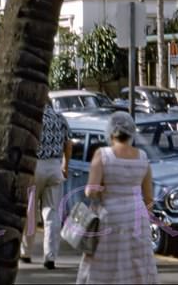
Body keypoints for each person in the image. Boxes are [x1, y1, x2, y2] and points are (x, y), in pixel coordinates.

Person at [76, 111, 158, 285]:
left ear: (111, 131)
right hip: (137, 217)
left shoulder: (103, 154)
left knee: (105, 264)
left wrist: (104, 189)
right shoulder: (142, 157)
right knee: (136, 263)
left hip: (110, 215)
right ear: (131, 132)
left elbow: (91, 191)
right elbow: (149, 197)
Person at [21, 102, 72, 269]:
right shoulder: (60, 118)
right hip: (54, 166)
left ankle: (26, 253)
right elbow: (68, 143)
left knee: (30, 211)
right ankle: (50, 256)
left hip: (35, 167)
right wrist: (66, 165)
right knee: (52, 213)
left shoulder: (31, 119)